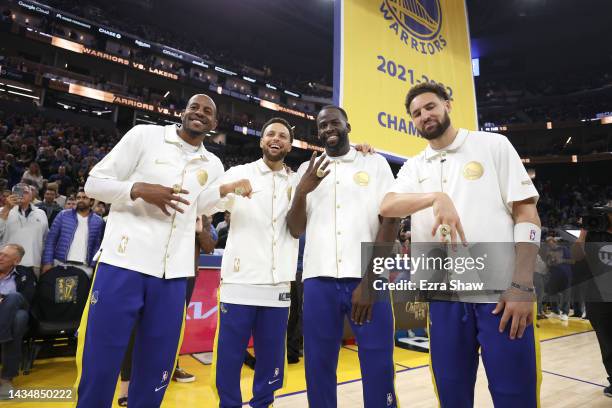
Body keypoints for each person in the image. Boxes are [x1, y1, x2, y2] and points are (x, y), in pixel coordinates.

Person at [74, 94, 252, 408]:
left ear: (214, 123)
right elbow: (93, 183)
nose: (200, 113)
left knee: (157, 368)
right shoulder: (144, 136)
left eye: (208, 112)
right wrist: (139, 189)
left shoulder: (213, 164)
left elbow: (204, 203)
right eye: (194, 107)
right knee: (101, 363)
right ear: (183, 112)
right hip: (123, 263)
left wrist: (231, 189)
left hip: (173, 276)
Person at [380, 82, 542, 407]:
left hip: (499, 294)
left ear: (448, 105)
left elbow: (527, 213)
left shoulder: (493, 145)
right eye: (416, 113)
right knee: (452, 396)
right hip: (443, 297)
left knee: (516, 395)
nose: (424, 115)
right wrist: (437, 197)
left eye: (430, 106)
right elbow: (387, 205)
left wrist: (522, 285)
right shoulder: (414, 166)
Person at [286, 106, 400, 408]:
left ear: (348, 125)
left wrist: (372, 279)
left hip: (365, 278)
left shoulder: (373, 163)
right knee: (318, 366)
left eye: (334, 123)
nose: (328, 130)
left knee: (378, 364)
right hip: (317, 280)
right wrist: (302, 190)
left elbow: (391, 220)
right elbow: (295, 229)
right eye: (322, 126)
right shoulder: (305, 171)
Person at [210, 117, 299, 407]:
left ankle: (264, 403)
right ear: (262, 141)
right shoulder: (239, 173)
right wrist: (227, 189)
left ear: (290, 144)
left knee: (272, 358)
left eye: (283, 136)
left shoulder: (297, 181)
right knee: (230, 356)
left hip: (278, 286)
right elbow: (205, 204)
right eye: (270, 133)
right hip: (240, 282)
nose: (276, 139)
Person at [116, 215, 218, 406]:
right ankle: (126, 386)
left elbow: (210, 246)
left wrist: (199, 229)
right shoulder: (165, 201)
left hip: (184, 276)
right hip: (150, 271)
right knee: (136, 329)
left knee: (173, 329)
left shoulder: (201, 214)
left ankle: (169, 371)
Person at [572, 203, 612, 398]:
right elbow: (577, 256)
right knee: (606, 341)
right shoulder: (594, 234)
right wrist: (583, 233)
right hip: (597, 296)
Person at [41, 188, 105, 279]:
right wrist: (47, 262)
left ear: (91, 202)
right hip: (60, 263)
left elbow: (97, 246)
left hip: (85, 268)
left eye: (84, 198)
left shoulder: (99, 221)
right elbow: (51, 240)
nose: (81, 200)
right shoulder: (63, 215)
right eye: (78, 198)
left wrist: (93, 265)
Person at [0, 244, 36, 400]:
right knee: (19, 319)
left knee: (14, 298)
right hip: (13, 318)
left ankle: (2, 335)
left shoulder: (25, 273)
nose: (0, 257)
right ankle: (7, 378)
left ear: (16, 261)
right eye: (0, 254)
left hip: (17, 305)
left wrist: (3, 299)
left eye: (5, 256)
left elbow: (27, 297)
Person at [0, 184, 48, 276]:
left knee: (31, 290)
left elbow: (45, 239)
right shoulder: (2, 210)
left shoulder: (41, 213)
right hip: (6, 264)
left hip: (33, 264)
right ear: (12, 194)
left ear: (31, 195)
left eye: (25, 192)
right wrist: (6, 209)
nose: (21, 195)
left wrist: (44, 262)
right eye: (18, 192)